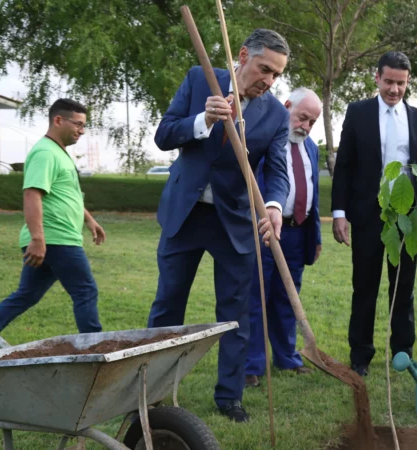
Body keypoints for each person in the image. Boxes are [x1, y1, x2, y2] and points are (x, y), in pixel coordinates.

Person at [148, 29, 291, 422]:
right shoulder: (199, 80)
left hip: (235, 221)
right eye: (264, 69)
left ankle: (229, 396)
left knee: (235, 313)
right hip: (186, 212)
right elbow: (164, 134)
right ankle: (153, 391)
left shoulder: (277, 114)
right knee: (167, 306)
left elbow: (277, 170)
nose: (269, 80)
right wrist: (203, 120)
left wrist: (275, 206)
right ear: (242, 55)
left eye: (276, 75)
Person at [0, 99, 106, 357]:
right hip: (55, 238)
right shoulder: (45, 152)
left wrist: (89, 220)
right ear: (58, 120)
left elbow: (64, 194)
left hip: (53, 238)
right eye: (78, 124)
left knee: (26, 295)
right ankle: (94, 349)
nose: (82, 130)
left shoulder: (58, 153)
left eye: (84, 126)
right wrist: (38, 238)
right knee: (85, 291)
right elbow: (32, 194)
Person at [331, 51, 417, 377]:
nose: (394, 89)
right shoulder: (357, 113)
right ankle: (360, 356)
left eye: (401, 83)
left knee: (403, 289)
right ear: (377, 78)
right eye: (389, 81)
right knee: (364, 287)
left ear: (408, 82)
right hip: (367, 216)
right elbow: (345, 168)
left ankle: (403, 353)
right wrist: (340, 212)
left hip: (408, 218)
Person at [244, 88, 323, 387]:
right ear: (287, 106)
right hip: (262, 231)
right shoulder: (264, 139)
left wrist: (314, 237)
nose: (305, 126)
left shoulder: (311, 148)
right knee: (256, 296)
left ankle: (287, 357)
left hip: (296, 232)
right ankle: (251, 364)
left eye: (312, 122)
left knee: (288, 298)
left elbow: (311, 194)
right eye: (303, 117)